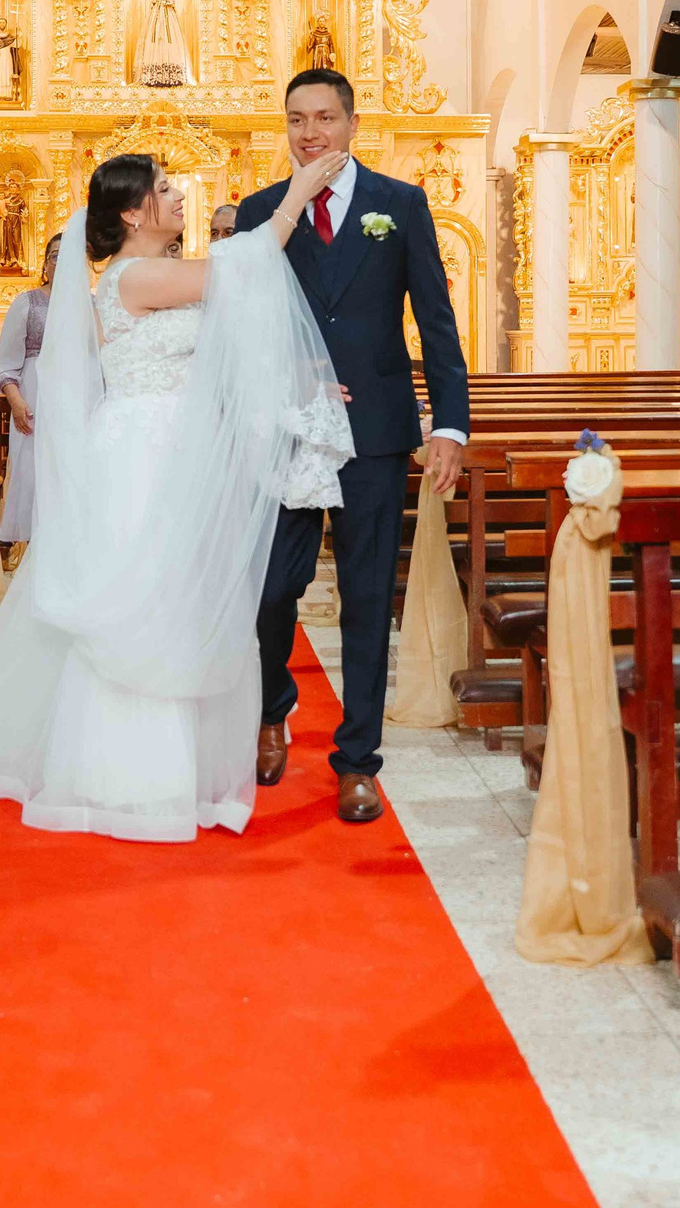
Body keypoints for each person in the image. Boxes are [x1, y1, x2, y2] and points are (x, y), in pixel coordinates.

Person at [0, 150, 353, 843]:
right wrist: (296, 194)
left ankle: (166, 768)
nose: (178, 196)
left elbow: (226, 344)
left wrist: (301, 385)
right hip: (146, 454)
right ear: (132, 213)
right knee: (144, 602)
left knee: (169, 601)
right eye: (165, 189)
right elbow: (242, 268)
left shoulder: (145, 274)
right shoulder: (137, 276)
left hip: (169, 446)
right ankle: (128, 776)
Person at [234, 67, 470, 825]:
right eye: (297, 119)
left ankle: (359, 759)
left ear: (352, 123)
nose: (310, 133)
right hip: (287, 430)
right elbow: (241, 325)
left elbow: (436, 320)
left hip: (374, 432)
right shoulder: (261, 212)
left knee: (367, 597)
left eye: (324, 118)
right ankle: (271, 708)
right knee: (272, 589)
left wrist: (450, 425)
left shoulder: (400, 204)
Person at [0, 234, 63, 546]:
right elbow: (6, 365)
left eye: (68, 256)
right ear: (45, 264)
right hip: (34, 398)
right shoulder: (28, 303)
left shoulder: (91, 304)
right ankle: (34, 550)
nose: (60, 262)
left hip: (76, 398)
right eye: (55, 256)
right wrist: (17, 401)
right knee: (34, 473)